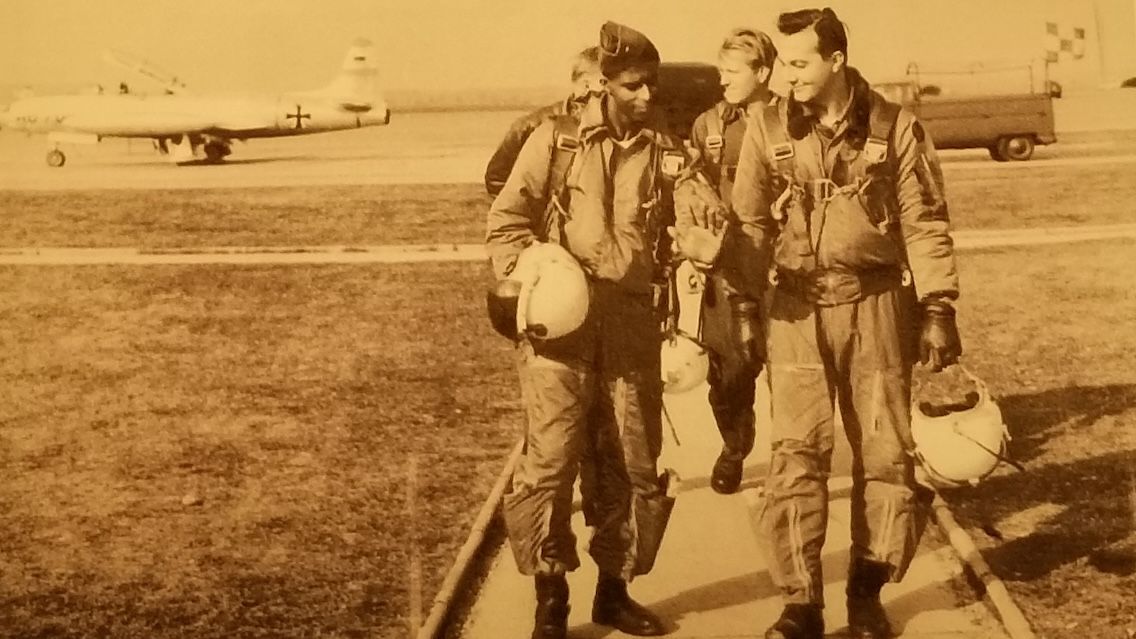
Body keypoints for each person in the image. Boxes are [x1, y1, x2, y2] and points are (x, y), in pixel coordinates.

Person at [724, 8, 963, 639]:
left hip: (878, 306)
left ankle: (866, 591)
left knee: (885, 453)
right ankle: (800, 602)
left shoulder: (895, 127)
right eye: (784, 61)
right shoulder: (766, 124)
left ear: (836, 61)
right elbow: (748, 226)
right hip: (795, 310)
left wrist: (938, 308)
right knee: (796, 455)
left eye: (800, 62)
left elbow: (925, 222)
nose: (788, 75)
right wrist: (744, 309)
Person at [485, 21, 725, 639]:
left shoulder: (667, 149)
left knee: (632, 464)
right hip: (559, 333)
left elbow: (703, 212)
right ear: (605, 85)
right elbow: (506, 220)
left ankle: (613, 592)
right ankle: (551, 597)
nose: (647, 96)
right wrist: (528, 276)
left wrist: (703, 229)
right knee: (551, 463)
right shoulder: (555, 141)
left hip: (629, 325)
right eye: (633, 86)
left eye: (652, 85)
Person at [687, 27, 777, 495]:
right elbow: (690, 182)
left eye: (732, 71)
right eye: (720, 70)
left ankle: (791, 463)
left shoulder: (793, 121)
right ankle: (734, 447)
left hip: (784, 268)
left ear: (762, 72)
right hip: (728, 268)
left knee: (791, 370)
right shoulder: (709, 126)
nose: (722, 80)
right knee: (729, 371)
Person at [483, 46, 604, 199]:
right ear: (585, 85)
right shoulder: (531, 126)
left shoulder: (622, 128)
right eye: (605, 82)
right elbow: (496, 180)